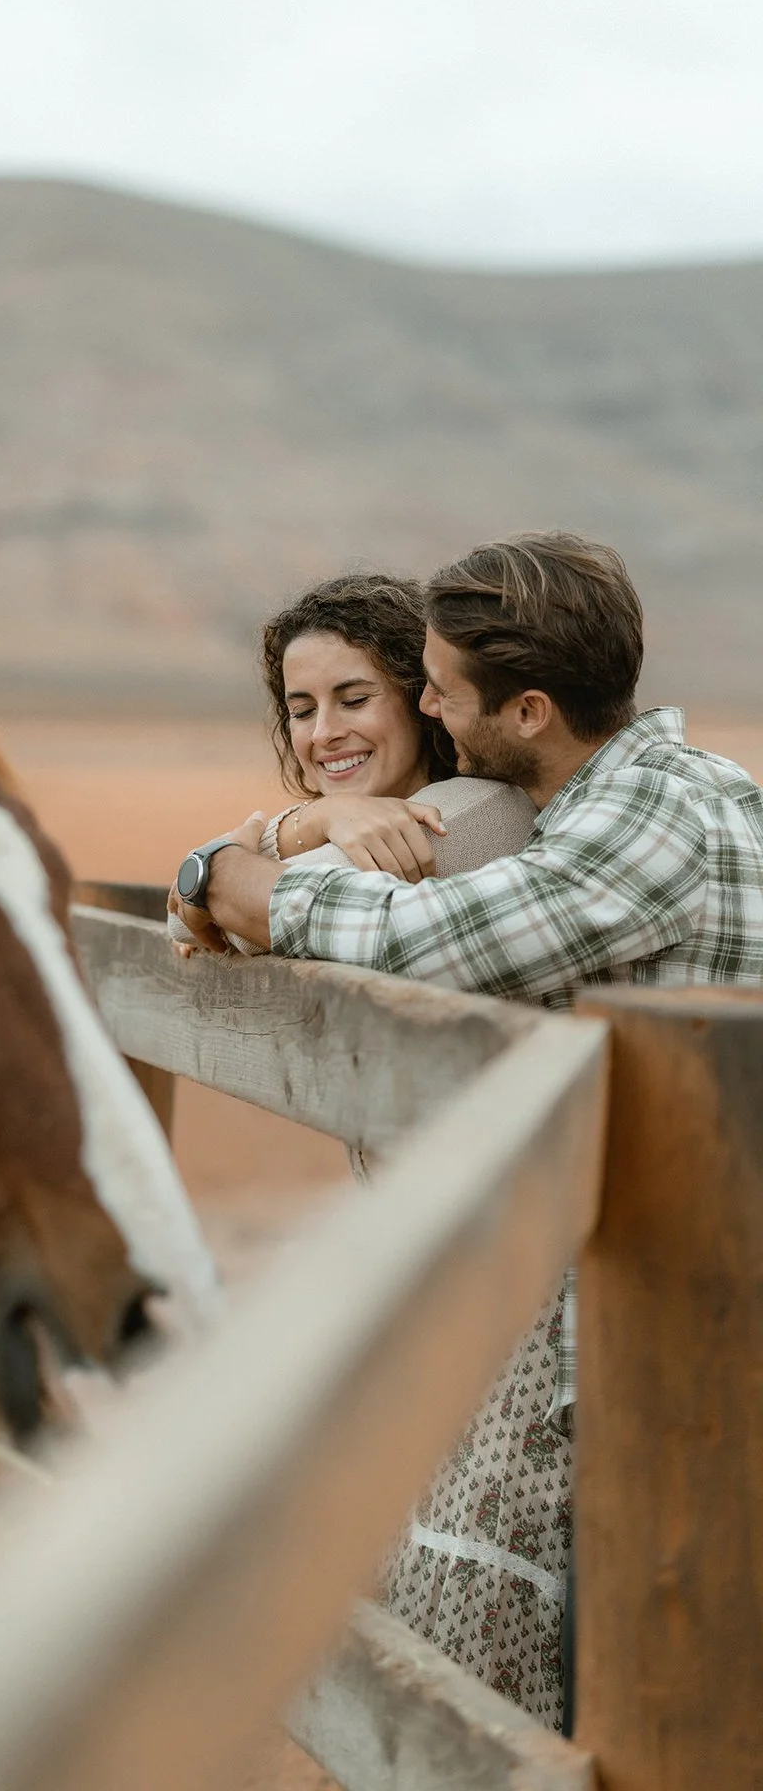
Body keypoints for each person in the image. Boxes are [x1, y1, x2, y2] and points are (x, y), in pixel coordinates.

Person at [170, 531, 763, 1730]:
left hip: (663, 1299)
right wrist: (276, 841)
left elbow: (407, 945)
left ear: (527, 708)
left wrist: (236, 873)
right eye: (305, 705)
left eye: (421, 687)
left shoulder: (613, 822)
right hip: (619, 1285)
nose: (429, 703)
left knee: (601, 1647)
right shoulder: (609, 793)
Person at [168, 573, 535, 958]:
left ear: (422, 701)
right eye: (303, 711)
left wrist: (292, 829)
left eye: (356, 700)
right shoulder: (355, 821)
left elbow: (194, 917)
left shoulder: (470, 812)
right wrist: (316, 819)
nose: (324, 733)